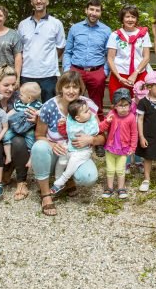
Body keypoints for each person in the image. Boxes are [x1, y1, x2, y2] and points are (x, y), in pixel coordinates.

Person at [30, 72, 106, 216]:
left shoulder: (87, 105)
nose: (71, 91)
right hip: (55, 152)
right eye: (67, 87)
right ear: (60, 88)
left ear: (80, 88)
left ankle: (69, 180)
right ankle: (46, 195)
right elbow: (39, 135)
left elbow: (102, 137)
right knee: (39, 147)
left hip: (77, 153)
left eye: (75, 87)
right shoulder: (49, 106)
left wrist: (91, 140)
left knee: (88, 176)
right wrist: (52, 145)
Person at [62, 0, 111, 121]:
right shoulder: (75, 28)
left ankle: (98, 132)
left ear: (100, 13)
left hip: (97, 72)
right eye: (91, 9)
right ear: (86, 10)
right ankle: (69, 129)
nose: (94, 13)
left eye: (97, 10)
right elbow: (68, 52)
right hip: (76, 71)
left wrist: (105, 72)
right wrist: (68, 70)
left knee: (97, 105)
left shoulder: (106, 31)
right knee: (72, 102)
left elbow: (109, 54)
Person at [17, 0, 66, 102]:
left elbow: (61, 47)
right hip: (27, 73)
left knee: (48, 107)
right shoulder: (23, 24)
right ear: (31, 2)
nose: (39, 1)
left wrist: (48, 60)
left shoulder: (56, 23)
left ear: (47, 2)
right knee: (25, 106)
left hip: (48, 74)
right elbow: (19, 49)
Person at [49, 99, 99, 196]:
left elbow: (101, 128)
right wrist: (61, 126)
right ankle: (58, 179)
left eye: (88, 109)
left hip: (83, 152)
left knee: (72, 163)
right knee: (61, 161)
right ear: (77, 118)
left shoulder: (91, 121)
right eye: (86, 111)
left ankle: (61, 181)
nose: (90, 112)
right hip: (71, 147)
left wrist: (107, 123)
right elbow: (65, 133)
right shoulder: (71, 120)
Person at [8, 81, 42, 201]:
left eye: (21, 94)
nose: (19, 96)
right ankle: (8, 158)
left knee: (31, 141)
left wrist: (37, 117)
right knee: (6, 137)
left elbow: (40, 115)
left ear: (29, 97)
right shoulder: (18, 103)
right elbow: (12, 113)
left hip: (28, 129)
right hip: (16, 127)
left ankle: (31, 157)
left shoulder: (37, 105)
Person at [101, 88, 138, 199]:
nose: (123, 108)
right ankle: (109, 187)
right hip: (111, 148)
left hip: (123, 149)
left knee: (121, 170)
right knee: (110, 169)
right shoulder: (111, 114)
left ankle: (121, 187)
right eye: (120, 105)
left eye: (126, 105)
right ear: (115, 106)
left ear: (130, 105)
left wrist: (133, 147)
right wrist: (107, 121)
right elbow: (101, 128)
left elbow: (134, 133)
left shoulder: (131, 117)